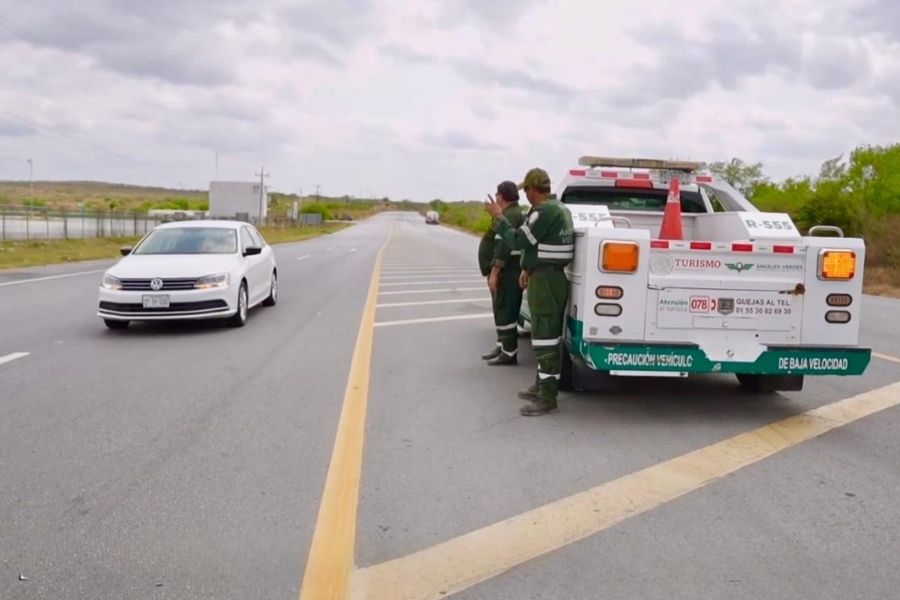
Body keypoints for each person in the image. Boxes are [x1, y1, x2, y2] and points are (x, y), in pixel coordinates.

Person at [485, 168, 574, 416]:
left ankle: (547, 397)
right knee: (546, 336)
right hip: (546, 275)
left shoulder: (544, 211)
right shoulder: (561, 209)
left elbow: (517, 241)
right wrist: (528, 266)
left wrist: (498, 217)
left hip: (546, 281)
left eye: (526, 190)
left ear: (532, 190)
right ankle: (541, 387)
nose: (525, 195)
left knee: (545, 339)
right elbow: (540, 245)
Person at [480, 181, 525, 365]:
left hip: (508, 272)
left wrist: (495, 272)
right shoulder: (513, 213)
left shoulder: (510, 215)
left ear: (500, 196)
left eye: (497, 195)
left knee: (505, 310)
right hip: (510, 271)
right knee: (502, 309)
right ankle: (502, 345)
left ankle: (508, 352)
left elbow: (503, 245)